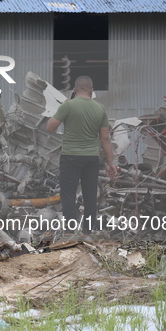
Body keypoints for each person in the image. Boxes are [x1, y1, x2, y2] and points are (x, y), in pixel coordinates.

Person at [46, 76, 117, 234]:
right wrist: (111, 163)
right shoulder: (100, 108)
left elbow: (50, 127)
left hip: (70, 157)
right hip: (91, 158)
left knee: (68, 195)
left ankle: (70, 232)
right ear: (92, 91)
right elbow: (105, 138)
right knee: (90, 195)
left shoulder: (68, 106)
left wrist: (65, 105)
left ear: (74, 90)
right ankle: (87, 232)